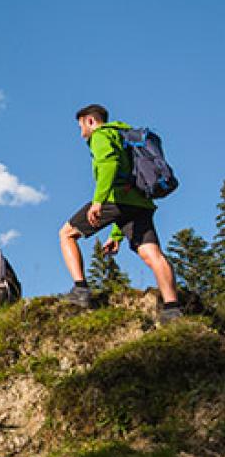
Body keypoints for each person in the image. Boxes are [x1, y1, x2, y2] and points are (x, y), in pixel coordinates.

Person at [58, 104, 181, 322]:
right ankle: (172, 308)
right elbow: (125, 206)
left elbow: (109, 165)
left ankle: (80, 290)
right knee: (152, 254)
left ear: (90, 121)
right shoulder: (124, 135)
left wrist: (98, 201)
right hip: (140, 202)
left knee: (66, 234)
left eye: (81, 126)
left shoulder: (101, 135)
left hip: (115, 198)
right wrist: (116, 236)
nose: (81, 133)